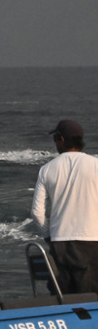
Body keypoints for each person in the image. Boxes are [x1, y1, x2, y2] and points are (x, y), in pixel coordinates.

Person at [31, 119, 98, 294]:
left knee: (63, 298)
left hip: (60, 241)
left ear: (61, 139)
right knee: (91, 299)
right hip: (91, 241)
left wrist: (48, 235)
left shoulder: (46, 169)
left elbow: (37, 212)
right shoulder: (95, 165)